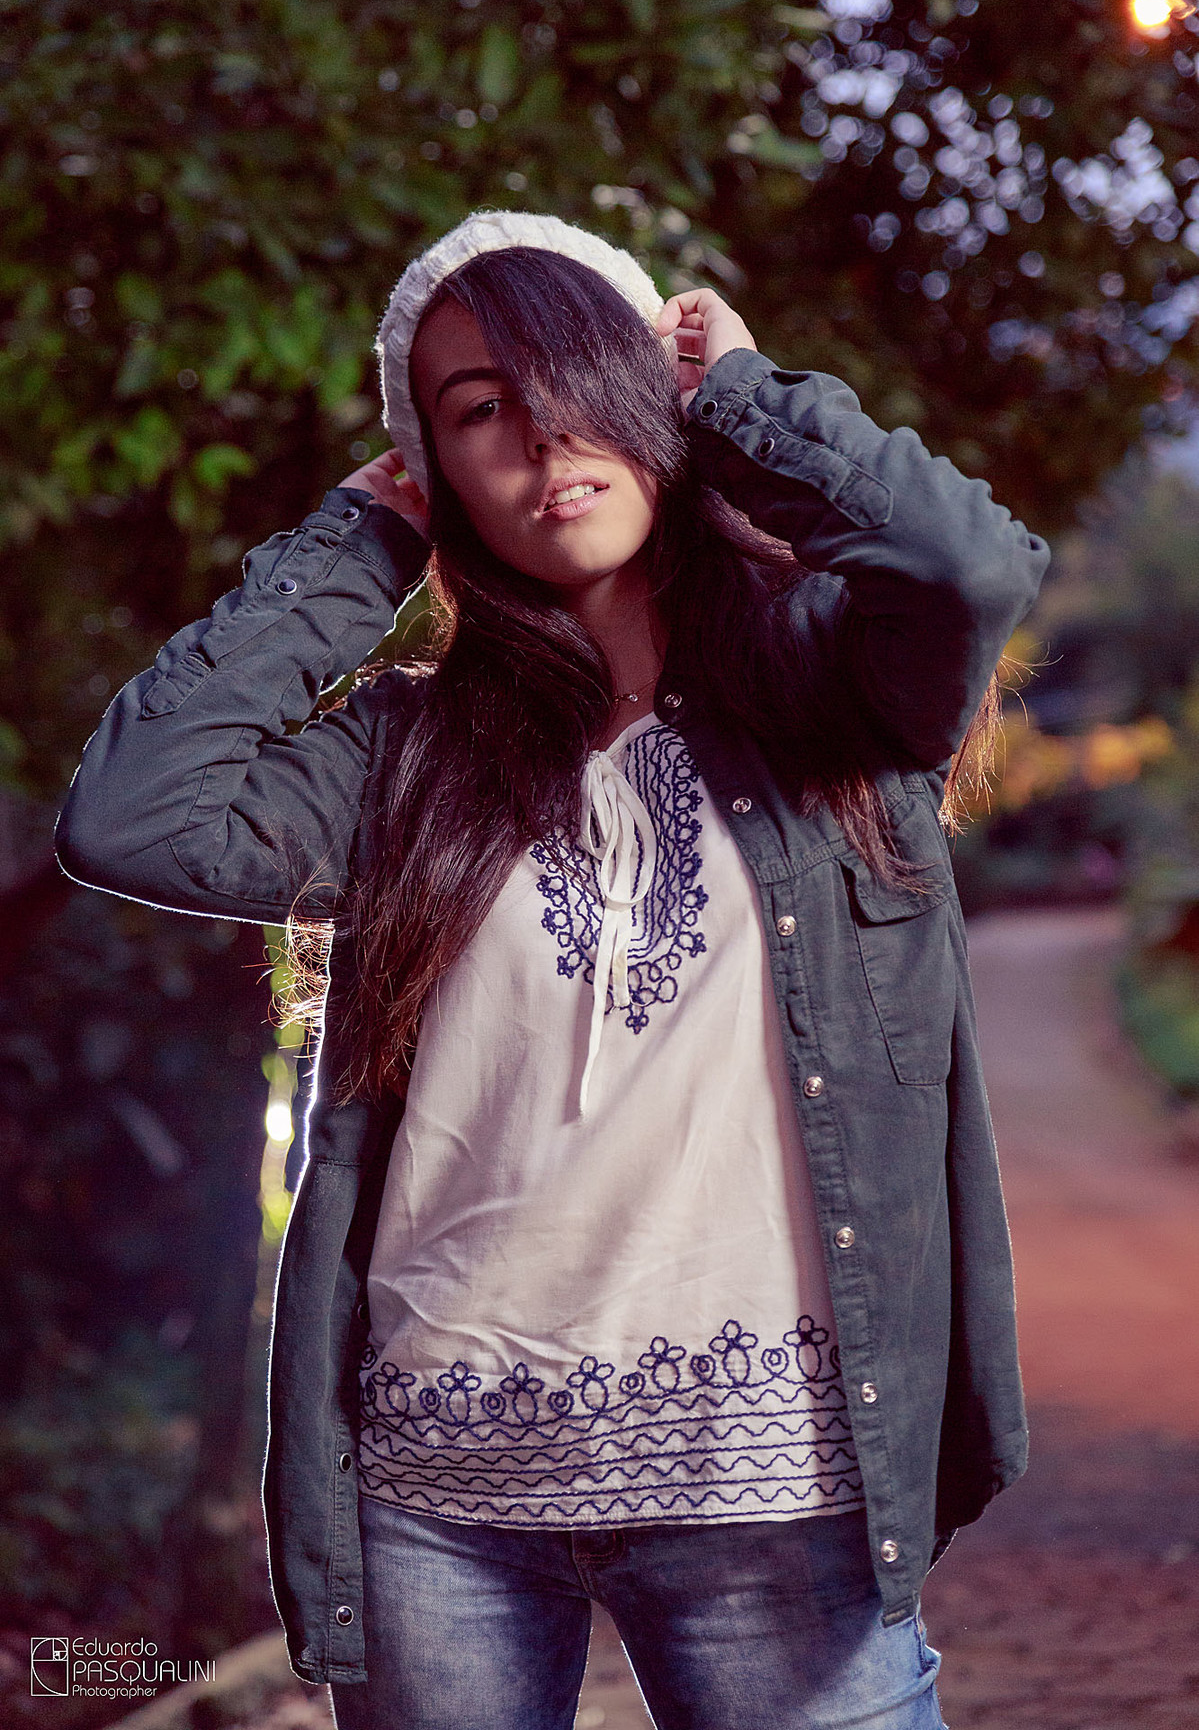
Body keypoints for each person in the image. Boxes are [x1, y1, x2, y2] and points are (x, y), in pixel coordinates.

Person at [55, 210, 1051, 1730]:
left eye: (575, 377)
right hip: (435, 1494)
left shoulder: (834, 690)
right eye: (477, 412)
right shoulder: (404, 750)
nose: (542, 438)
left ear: (655, 394)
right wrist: (357, 540)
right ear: (438, 470)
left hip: (766, 1477)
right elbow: (134, 816)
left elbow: (969, 562)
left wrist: (748, 400)